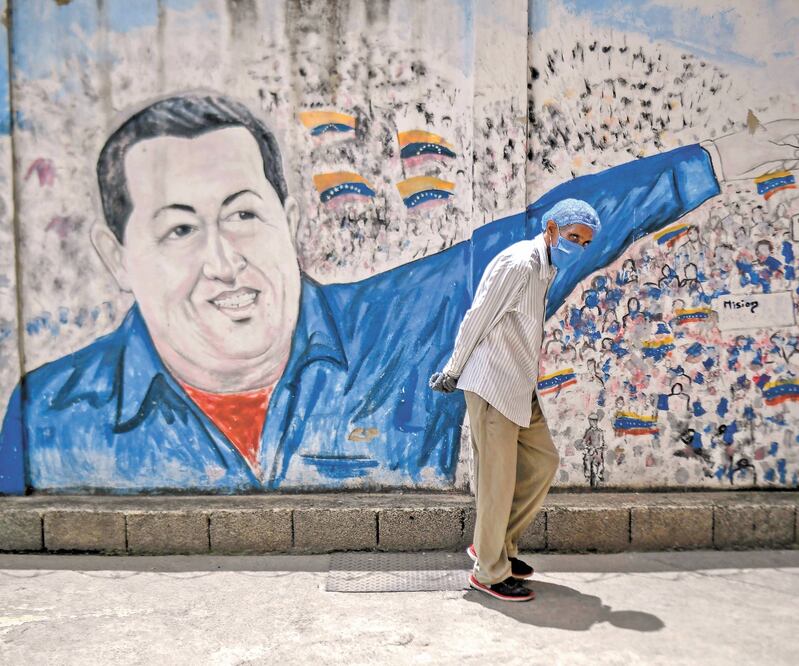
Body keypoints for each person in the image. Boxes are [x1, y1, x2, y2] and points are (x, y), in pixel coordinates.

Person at [1, 94, 796, 494]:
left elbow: (551, 228)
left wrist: (714, 161)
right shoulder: (50, 413)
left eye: (243, 214)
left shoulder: (400, 328)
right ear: (116, 256)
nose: (223, 263)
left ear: (287, 221)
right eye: (178, 229)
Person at [430, 199, 600, 601]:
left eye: (585, 242)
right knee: (497, 481)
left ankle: (494, 545)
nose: (577, 246)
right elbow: (478, 315)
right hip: (492, 383)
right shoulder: (520, 263)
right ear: (551, 228)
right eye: (573, 236)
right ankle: (489, 572)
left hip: (519, 386)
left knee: (543, 462)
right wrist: (453, 369)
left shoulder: (544, 268)